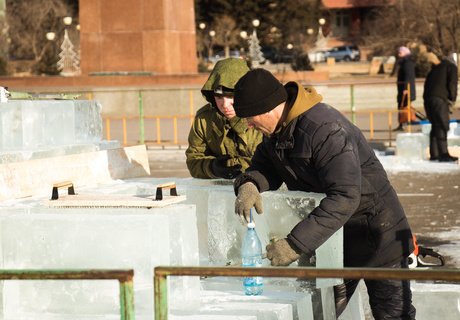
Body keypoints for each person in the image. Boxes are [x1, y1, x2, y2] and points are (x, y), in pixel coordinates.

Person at [232, 68, 416, 319]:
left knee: (393, 315)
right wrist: (251, 183)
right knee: (320, 313)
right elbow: (264, 168)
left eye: (250, 117)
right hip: (333, 240)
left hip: (377, 235)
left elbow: (345, 195)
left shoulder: (324, 129)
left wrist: (295, 244)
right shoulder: (277, 132)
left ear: (268, 108)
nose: (248, 125)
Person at [185, 58, 263, 179]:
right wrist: (212, 167)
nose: (225, 105)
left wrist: (233, 165)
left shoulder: (263, 115)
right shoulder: (204, 120)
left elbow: (273, 160)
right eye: (219, 97)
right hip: (219, 192)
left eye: (231, 96)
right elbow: (193, 160)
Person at [423, 53, 458, 162]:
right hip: (439, 99)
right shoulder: (451, 67)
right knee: (442, 125)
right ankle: (444, 154)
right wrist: (452, 98)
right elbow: (453, 83)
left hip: (428, 100)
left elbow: (426, 85)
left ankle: (434, 154)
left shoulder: (435, 69)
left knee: (435, 126)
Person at [395, 46, 416, 131]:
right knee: (401, 106)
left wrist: (406, 88)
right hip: (403, 89)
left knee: (404, 107)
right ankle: (402, 123)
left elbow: (408, 77)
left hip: (406, 90)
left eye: (400, 52)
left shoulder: (407, 63)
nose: (398, 54)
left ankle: (405, 123)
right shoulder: (403, 62)